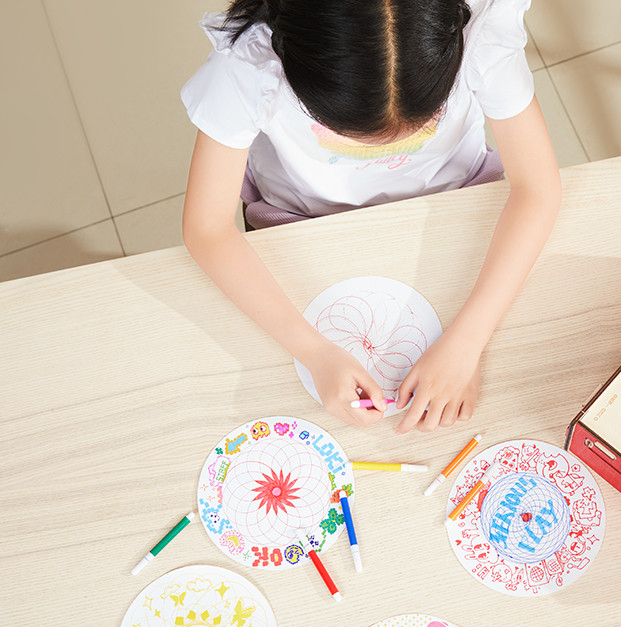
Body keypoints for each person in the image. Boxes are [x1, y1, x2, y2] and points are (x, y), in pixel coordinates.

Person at [180, 0, 560, 434]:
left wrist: (468, 342)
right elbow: (206, 229)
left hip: (453, 205)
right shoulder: (248, 65)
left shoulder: (481, 29)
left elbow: (538, 188)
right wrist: (315, 353)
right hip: (304, 220)